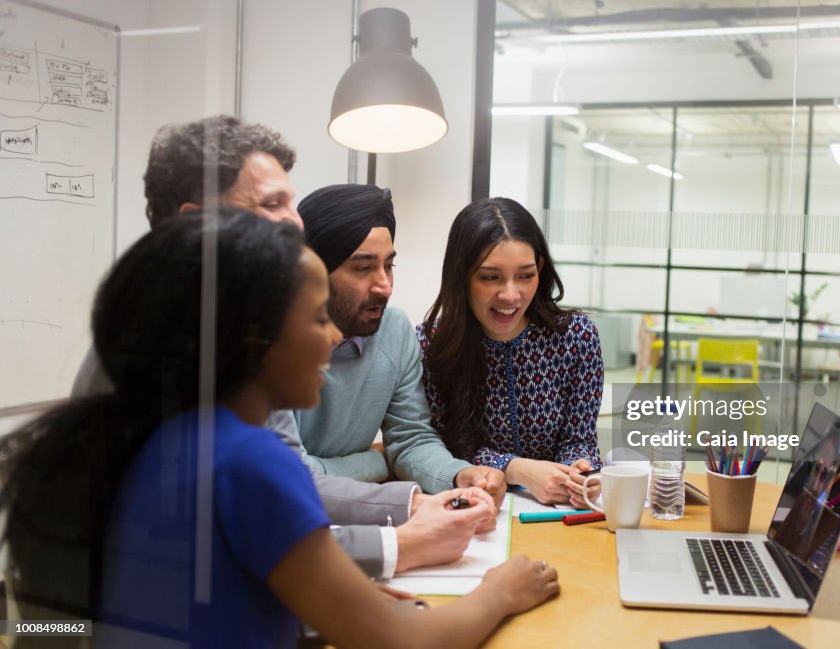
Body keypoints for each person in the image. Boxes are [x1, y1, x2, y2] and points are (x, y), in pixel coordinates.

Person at [0, 210, 558, 647]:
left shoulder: (160, 442)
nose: (334, 338)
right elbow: (404, 640)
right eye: (317, 318)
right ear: (252, 340)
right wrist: (500, 592)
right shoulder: (249, 460)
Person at [71, 115, 485, 580]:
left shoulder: (231, 327)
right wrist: (400, 541)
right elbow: (272, 512)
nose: (294, 221)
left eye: (291, 202)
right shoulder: (164, 344)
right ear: (196, 225)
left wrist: (419, 498)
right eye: (272, 203)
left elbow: (270, 504)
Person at [294, 184, 507, 504]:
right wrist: (378, 461)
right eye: (363, 268)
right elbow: (291, 476)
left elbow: (410, 440)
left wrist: (459, 475)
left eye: (389, 265)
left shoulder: (394, 330)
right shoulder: (274, 343)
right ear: (314, 270)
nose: (384, 285)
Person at [416, 198, 604, 508]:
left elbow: (579, 438)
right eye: (490, 277)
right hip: (474, 511)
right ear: (460, 276)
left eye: (526, 275)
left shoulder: (575, 336)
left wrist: (578, 473)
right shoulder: (430, 345)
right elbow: (436, 448)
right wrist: (520, 470)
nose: (511, 295)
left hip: (556, 515)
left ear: (540, 270)